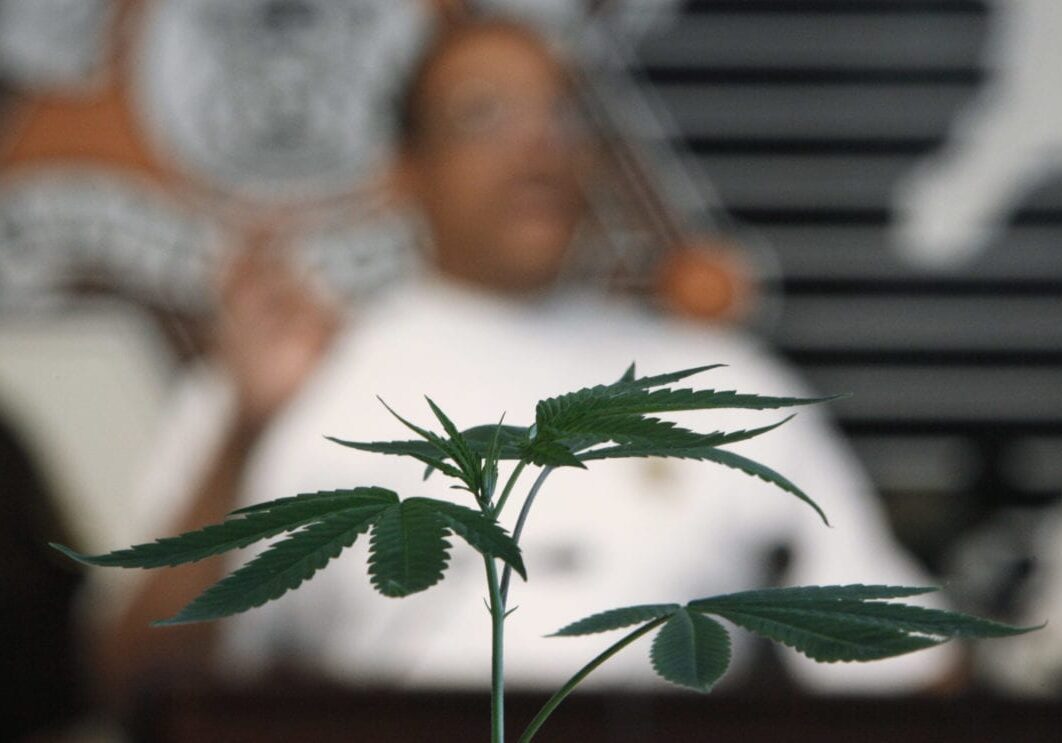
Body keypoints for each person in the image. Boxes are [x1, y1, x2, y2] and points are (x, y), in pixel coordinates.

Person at [86, 17, 955, 706]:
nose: (536, 146)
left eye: (562, 116)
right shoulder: (297, 381)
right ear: (405, 171)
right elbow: (137, 679)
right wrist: (243, 435)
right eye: (485, 116)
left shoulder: (719, 380)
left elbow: (904, 666)